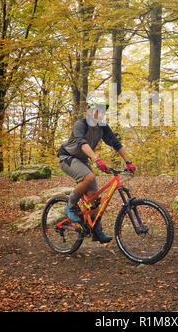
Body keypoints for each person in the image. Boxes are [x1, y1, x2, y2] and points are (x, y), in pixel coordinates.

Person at [58, 95, 136, 243]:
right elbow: (82, 144)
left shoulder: (103, 128)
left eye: (103, 111)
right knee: (89, 177)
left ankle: (96, 230)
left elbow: (116, 143)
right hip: (68, 158)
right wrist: (97, 159)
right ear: (90, 111)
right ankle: (70, 206)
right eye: (98, 111)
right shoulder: (80, 125)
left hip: (82, 160)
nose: (101, 114)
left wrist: (129, 162)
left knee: (93, 195)